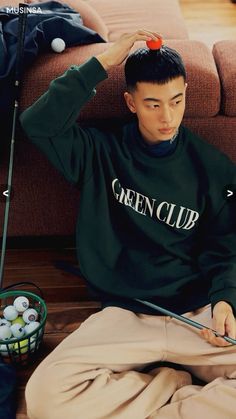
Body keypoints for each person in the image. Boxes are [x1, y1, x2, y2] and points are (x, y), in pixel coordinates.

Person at [20, 30, 236, 419]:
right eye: (153, 104)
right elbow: (39, 122)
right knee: (45, 398)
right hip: (125, 315)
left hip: (197, 316)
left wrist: (225, 299)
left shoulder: (213, 167)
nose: (167, 117)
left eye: (176, 100)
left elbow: (227, 245)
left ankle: (154, 404)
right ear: (130, 103)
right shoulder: (100, 152)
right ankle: (170, 386)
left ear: (187, 92)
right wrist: (102, 63)